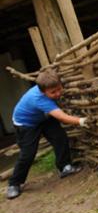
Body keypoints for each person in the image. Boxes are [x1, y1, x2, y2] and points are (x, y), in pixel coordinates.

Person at [6, 68, 89, 200]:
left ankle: (64, 167)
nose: (57, 94)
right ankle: (14, 184)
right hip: (25, 124)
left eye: (59, 89)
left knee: (59, 137)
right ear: (43, 92)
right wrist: (81, 121)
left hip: (43, 117)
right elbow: (62, 117)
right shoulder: (38, 99)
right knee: (28, 154)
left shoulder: (48, 90)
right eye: (53, 92)